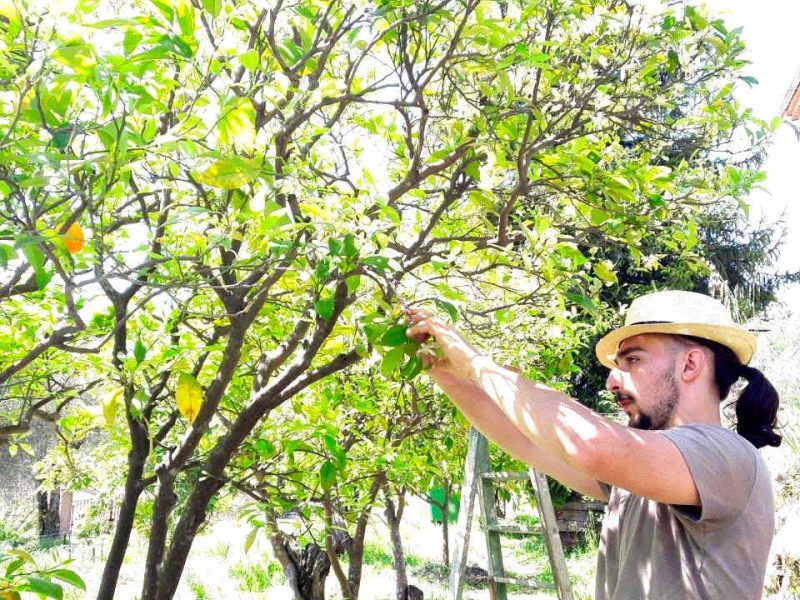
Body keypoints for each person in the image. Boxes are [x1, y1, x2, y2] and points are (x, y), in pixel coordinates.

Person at [406, 289, 781, 599]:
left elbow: (589, 444)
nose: (612, 382)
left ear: (690, 365)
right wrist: (443, 370)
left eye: (632, 359)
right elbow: (526, 441)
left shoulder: (725, 455)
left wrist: (474, 363)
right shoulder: (648, 470)